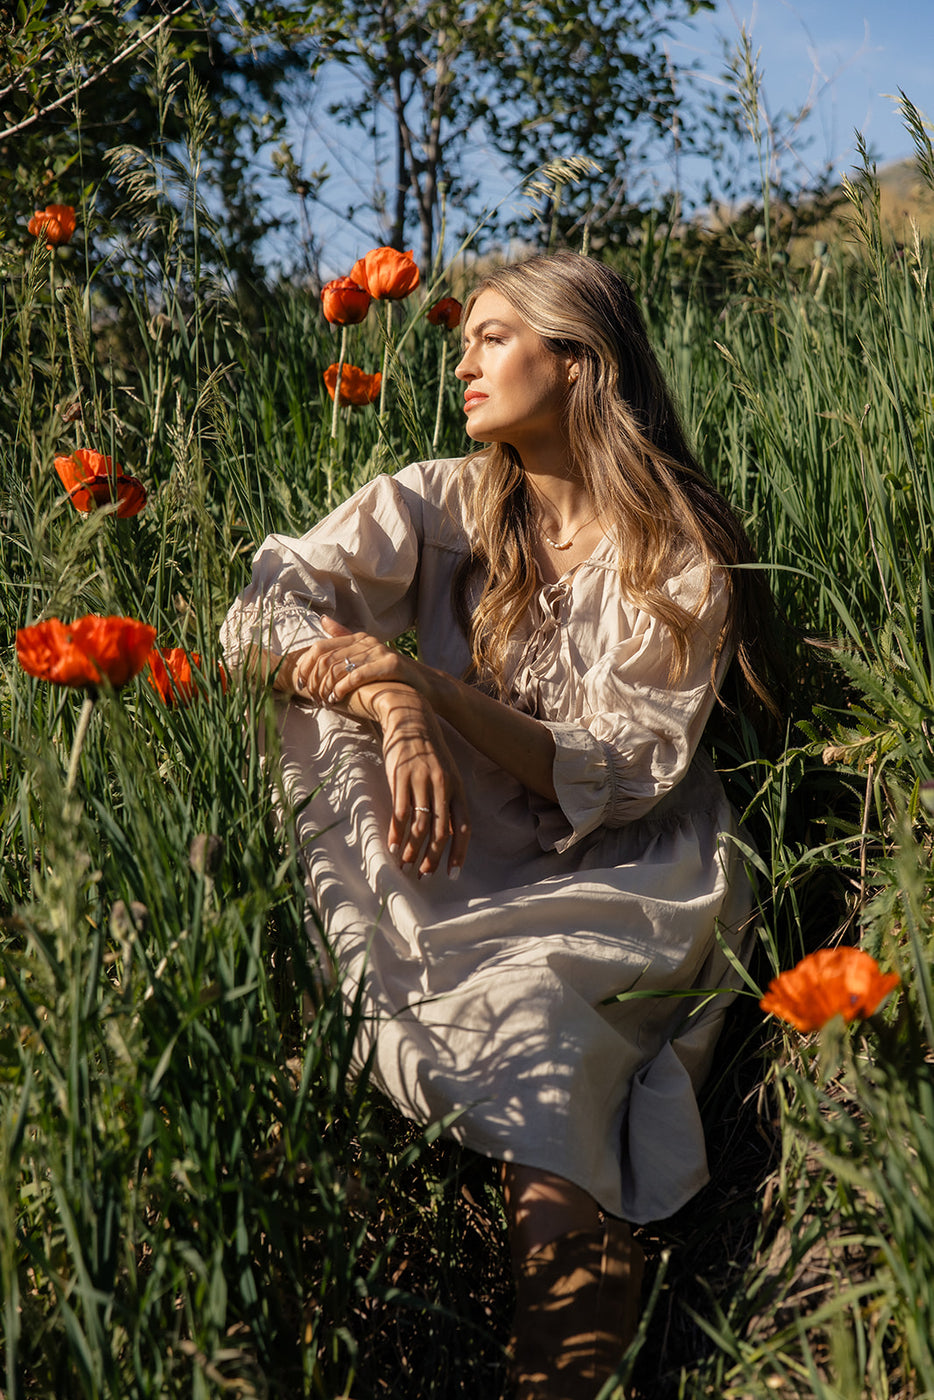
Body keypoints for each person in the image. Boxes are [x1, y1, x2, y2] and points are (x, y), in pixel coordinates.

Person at [221, 250, 781, 1399]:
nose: (460, 360)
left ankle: (561, 1373)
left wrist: (433, 692)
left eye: (490, 336)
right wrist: (386, 696)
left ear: (576, 359)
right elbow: (261, 601)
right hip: (455, 845)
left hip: (623, 865)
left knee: (539, 1023)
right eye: (462, 338)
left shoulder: (672, 547)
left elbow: (620, 772)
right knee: (319, 704)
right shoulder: (439, 504)